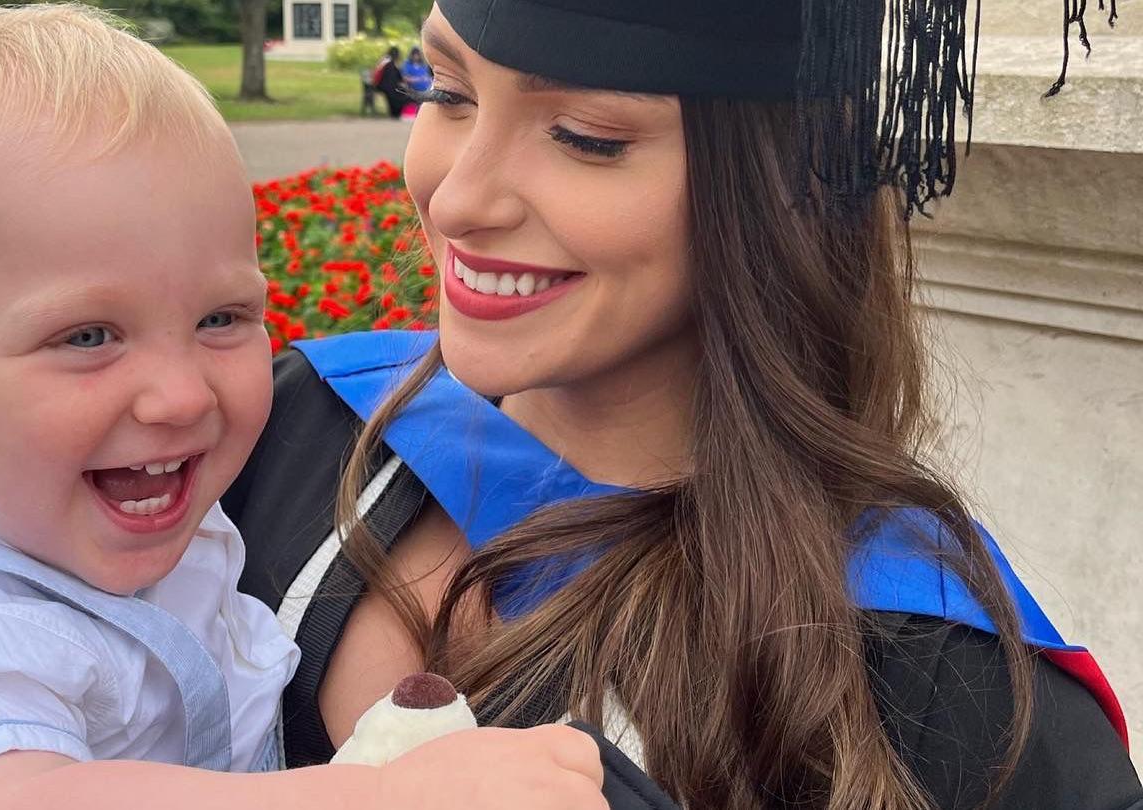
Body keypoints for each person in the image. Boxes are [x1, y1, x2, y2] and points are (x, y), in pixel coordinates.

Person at [223, 1, 1143, 808]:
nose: (457, 198)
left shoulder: (928, 682)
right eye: (447, 90)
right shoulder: (295, 425)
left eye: (586, 136)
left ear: (779, 183)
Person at [0, 6, 607, 810]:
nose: (182, 397)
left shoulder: (33, 487)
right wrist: (374, 795)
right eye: (88, 336)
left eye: (221, 318)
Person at [371, 45, 411, 119]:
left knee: (400, 91)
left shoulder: (386, 60)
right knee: (398, 93)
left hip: (382, 84)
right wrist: (401, 83)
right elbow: (392, 78)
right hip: (383, 86)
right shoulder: (389, 63)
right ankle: (395, 113)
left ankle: (396, 112)